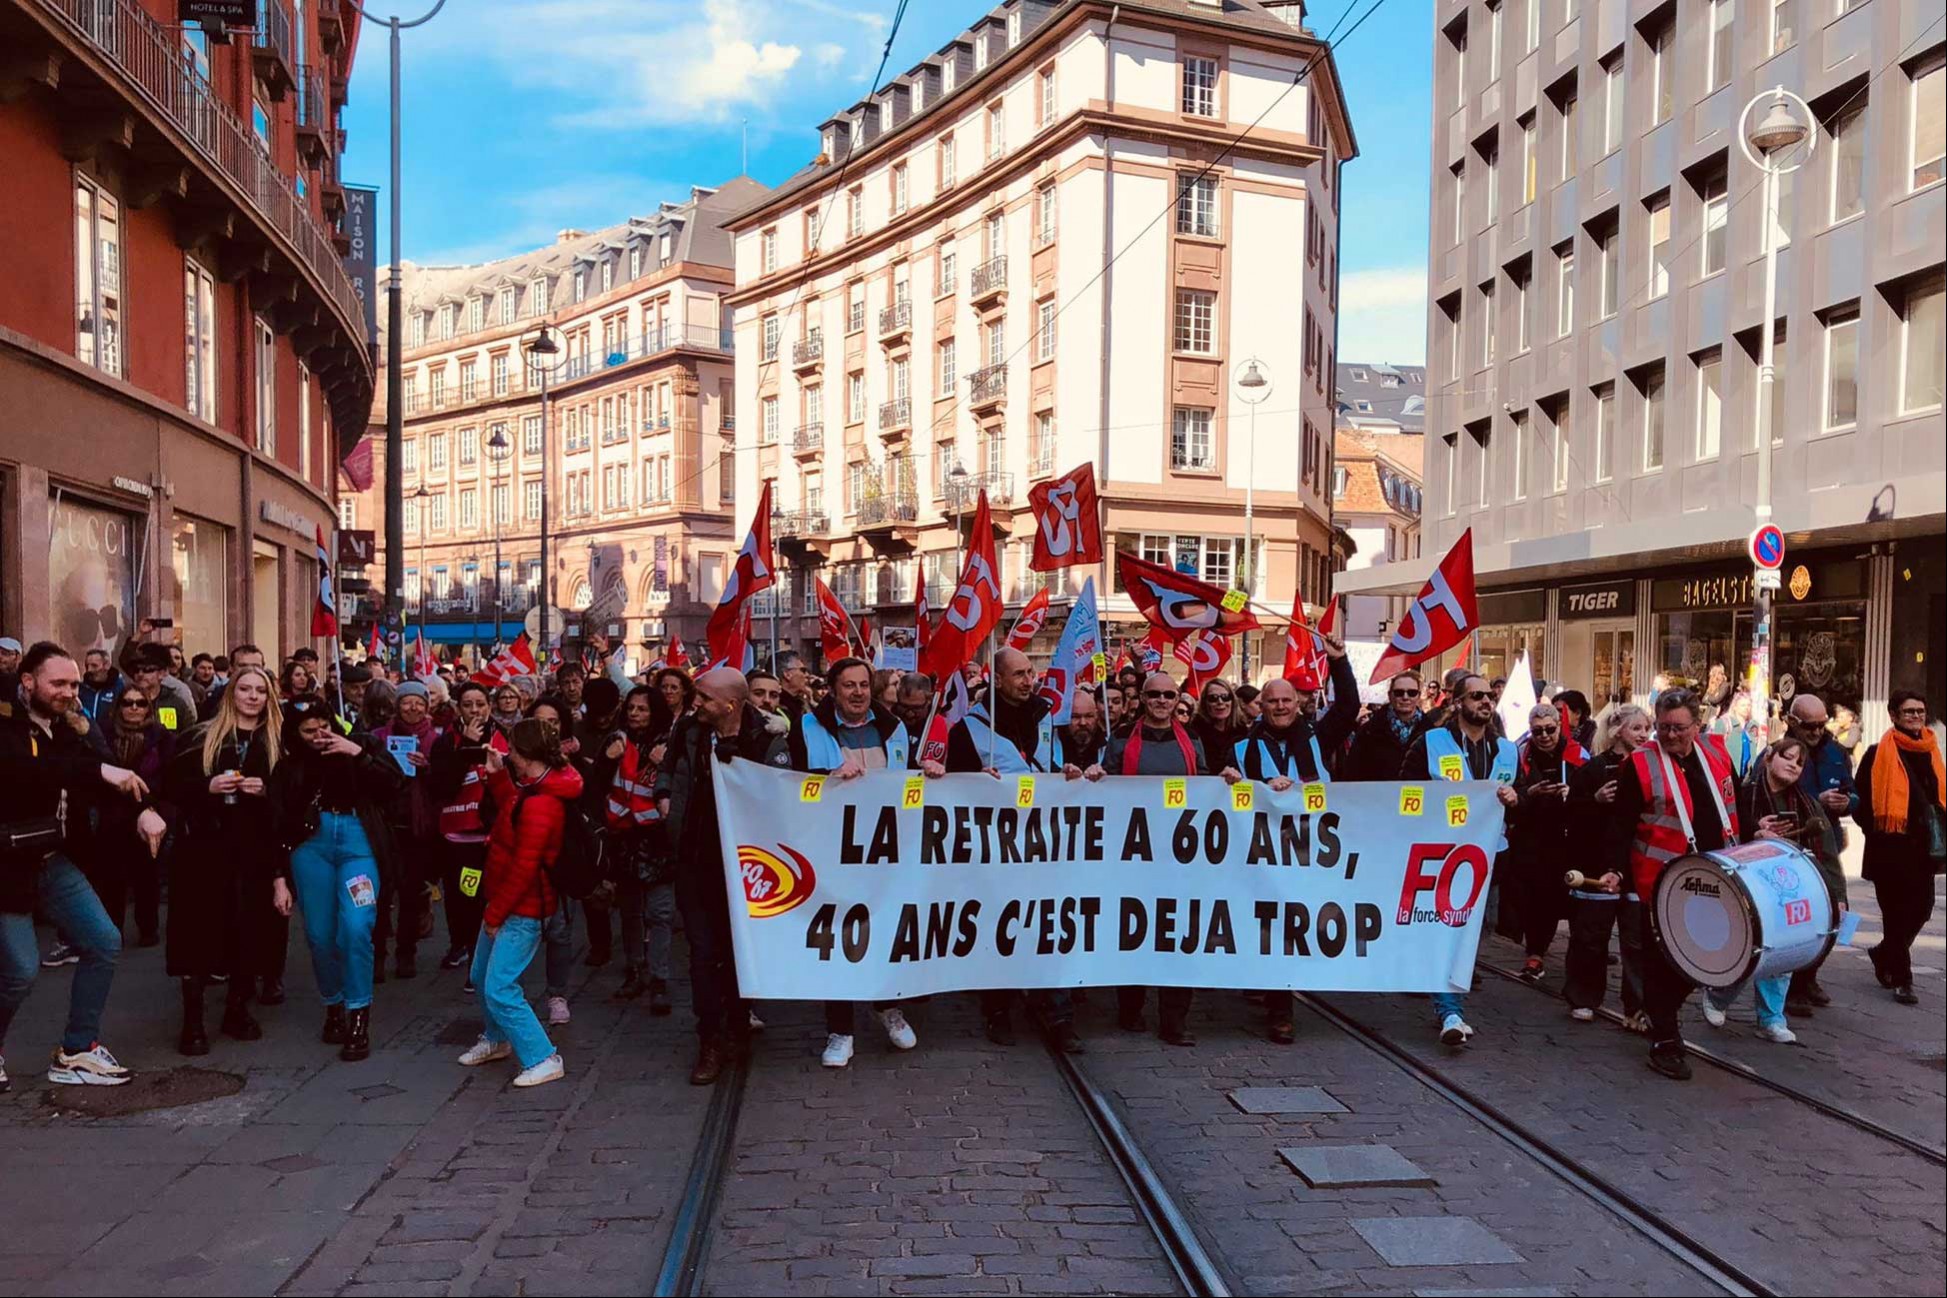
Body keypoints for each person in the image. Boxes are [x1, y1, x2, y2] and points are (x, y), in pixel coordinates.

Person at [1, 643, 160, 1089]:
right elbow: (26, 774)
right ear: (28, 682)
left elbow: (103, 768)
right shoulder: (8, 725)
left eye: (74, 684)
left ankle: (77, 1050)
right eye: (59, 683)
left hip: (52, 860)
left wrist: (143, 809)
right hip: (7, 867)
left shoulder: (68, 728)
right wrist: (98, 773)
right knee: (20, 970)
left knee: (104, 941)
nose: (69, 692)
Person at [654, 669, 792, 1084]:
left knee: (736, 953)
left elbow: (785, 795)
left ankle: (738, 1025)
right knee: (701, 954)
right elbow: (669, 770)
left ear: (730, 705)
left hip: (745, 867)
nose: (697, 704)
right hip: (695, 859)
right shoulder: (690, 732)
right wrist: (665, 800)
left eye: (705, 699)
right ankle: (709, 1038)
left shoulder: (767, 740)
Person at [941, 648, 1082, 1051]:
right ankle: (998, 1010)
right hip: (997, 849)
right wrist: (973, 781)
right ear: (997, 680)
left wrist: (1070, 772)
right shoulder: (968, 730)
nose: (1027, 680)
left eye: (1030, 672)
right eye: (1018, 674)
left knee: (1052, 928)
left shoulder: (1048, 718)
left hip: (1047, 844)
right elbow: (952, 792)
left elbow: (1062, 765)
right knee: (999, 927)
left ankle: (1058, 1014)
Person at [789, 658, 920, 1067]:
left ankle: (888, 1007)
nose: (858, 692)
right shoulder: (807, 728)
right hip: (831, 851)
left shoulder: (894, 729)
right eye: (849, 685)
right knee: (840, 938)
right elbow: (787, 786)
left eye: (864, 684)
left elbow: (907, 782)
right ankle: (840, 1030)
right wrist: (826, 777)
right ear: (832, 689)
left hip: (885, 852)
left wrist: (930, 776)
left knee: (885, 932)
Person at [1607, 689, 1741, 1080]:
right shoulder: (1639, 764)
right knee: (1663, 962)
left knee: (1703, 960)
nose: (1669, 736)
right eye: (1663, 728)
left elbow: (1735, 808)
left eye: (1679, 728)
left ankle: (1663, 1015)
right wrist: (1615, 870)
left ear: (1697, 726)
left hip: (1716, 876)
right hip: (1660, 882)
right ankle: (1665, 1039)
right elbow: (1621, 825)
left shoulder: (1717, 754)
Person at [161, 665, 286, 1055]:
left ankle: (236, 1008)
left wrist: (267, 791)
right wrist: (208, 787)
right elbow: (170, 787)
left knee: (248, 932)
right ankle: (193, 1020)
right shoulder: (202, 738)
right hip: (203, 851)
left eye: (260, 691)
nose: (252, 697)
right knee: (197, 936)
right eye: (245, 689)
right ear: (232, 693)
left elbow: (292, 802)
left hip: (254, 853)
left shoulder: (278, 742)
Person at [274, 697, 406, 1061]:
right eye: (308, 731)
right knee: (318, 935)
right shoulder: (290, 765)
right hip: (311, 848)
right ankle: (333, 1003)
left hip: (358, 843)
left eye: (323, 727)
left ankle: (359, 1012)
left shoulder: (364, 744)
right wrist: (279, 877)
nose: (318, 736)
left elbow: (395, 783)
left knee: (356, 924)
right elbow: (278, 821)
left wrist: (356, 752)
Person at [455, 718, 581, 1089]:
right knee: (481, 977)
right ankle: (496, 1039)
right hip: (506, 902)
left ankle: (543, 1056)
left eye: (512, 749)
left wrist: (495, 914)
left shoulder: (544, 802)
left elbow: (526, 866)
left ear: (526, 755)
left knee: (499, 987)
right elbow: (513, 807)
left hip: (521, 909)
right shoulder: (534, 787)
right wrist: (496, 778)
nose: (507, 753)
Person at [1400, 673, 1520, 1045]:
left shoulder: (1507, 750)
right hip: (1441, 853)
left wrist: (1517, 800)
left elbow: (1524, 798)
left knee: (1474, 929)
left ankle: (1447, 996)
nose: (1486, 701)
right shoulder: (1432, 743)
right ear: (1458, 702)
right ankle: (1449, 1012)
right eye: (1477, 696)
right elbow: (1406, 792)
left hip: (1487, 855)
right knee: (1447, 930)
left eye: (1489, 696)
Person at [1703, 735, 1834, 1040]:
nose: (1793, 765)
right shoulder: (1743, 794)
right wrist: (1755, 832)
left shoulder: (1806, 802)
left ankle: (1771, 1018)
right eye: (1787, 757)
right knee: (1746, 948)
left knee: (1784, 950)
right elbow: (1723, 832)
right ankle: (1719, 995)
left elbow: (1826, 852)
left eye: (1799, 762)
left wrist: (1836, 896)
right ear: (1768, 758)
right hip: (1746, 885)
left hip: (1789, 887)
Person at [1111, 671, 1209, 1046]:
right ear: (1143, 699)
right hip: (1132, 856)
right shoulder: (1121, 739)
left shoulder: (1192, 739)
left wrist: (1225, 780)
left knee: (1178, 936)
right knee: (1133, 932)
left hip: (1180, 859)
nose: (1162, 701)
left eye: (1169, 695)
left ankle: (1174, 1021)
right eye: (1155, 695)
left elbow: (1204, 783)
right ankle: (1130, 1009)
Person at [1854, 690, 1943, 1007]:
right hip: (1889, 851)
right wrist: (1881, 828)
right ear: (1893, 715)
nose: (1916, 717)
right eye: (1909, 712)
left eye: (1920, 711)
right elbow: (1861, 801)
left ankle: (1883, 953)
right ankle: (1903, 980)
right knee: (1894, 914)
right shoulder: (1878, 753)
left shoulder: (1931, 751)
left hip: (1922, 852)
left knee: (1923, 910)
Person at [1565, 704, 1651, 1027]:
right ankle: (1583, 996)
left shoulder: (1651, 768)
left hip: (1636, 863)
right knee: (1591, 935)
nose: (1643, 735)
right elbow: (1572, 815)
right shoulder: (1593, 769)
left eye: (1646, 729)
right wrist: (1595, 801)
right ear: (1618, 732)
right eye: (1637, 728)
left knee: (1636, 939)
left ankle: (1637, 1005)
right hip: (1597, 863)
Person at [592, 685, 677, 1012]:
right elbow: (596, 786)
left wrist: (665, 763)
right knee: (630, 912)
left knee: (660, 912)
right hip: (624, 838)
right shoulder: (615, 741)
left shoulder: (671, 742)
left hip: (658, 838)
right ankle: (635, 970)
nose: (635, 714)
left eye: (642, 709)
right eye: (631, 708)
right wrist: (605, 760)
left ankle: (659, 979)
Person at [82, 687, 174, 949]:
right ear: (118, 706)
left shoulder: (162, 737)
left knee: (147, 878)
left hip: (150, 812)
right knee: (111, 879)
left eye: (140, 703)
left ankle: (148, 928)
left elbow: (168, 778)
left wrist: (155, 809)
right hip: (111, 816)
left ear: (149, 707)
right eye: (128, 703)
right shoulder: (104, 734)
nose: (134, 708)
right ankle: (113, 931)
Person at [1507, 703, 1588, 982]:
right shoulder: (1520, 754)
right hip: (1530, 834)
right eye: (1537, 731)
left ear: (1559, 726)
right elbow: (1510, 792)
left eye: (1549, 730)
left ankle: (1572, 952)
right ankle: (1535, 953)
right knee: (1531, 895)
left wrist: (1572, 793)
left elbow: (1591, 792)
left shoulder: (1577, 754)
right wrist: (1530, 791)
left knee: (1560, 895)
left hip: (1566, 836)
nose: (1544, 736)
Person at [429, 682, 503, 984]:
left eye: (480, 704)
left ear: (489, 706)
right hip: (460, 841)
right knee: (466, 899)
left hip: (495, 837)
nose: (475, 710)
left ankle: (489, 958)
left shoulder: (504, 738)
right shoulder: (446, 742)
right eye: (468, 704)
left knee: (492, 898)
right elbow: (442, 787)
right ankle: (471, 954)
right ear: (458, 708)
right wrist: (464, 750)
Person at [370, 681, 440, 981]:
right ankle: (376, 956)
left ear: (427, 707)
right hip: (384, 824)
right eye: (406, 702)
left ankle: (406, 952)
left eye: (418, 703)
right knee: (380, 894)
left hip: (417, 826)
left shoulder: (437, 740)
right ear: (396, 706)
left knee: (411, 894)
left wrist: (427, 768)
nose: (412, 708)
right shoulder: (379, 736)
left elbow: (445, 783)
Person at [1787, 694, 1857, 830]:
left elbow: (1853, 793)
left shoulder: (1837, 753)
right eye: (1810, 726)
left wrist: (1847, 802)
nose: (1817, 732)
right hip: (1792, 840)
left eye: (1821, 726)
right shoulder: (1776, 755)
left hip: (1829, 842)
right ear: (1792, 721)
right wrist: (1817, 801)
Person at [1346, 671, 1428, 781]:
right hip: (1379, 795)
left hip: (1417, 795)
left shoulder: (1430, 731)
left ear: (1418, 696)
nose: (1405, 697)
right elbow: (1353, 771)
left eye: (1412, 693)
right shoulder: (1369, 731)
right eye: (1399, 692)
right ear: (1390, 695)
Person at [128, 643, 199, 734]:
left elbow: (189, 733)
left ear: (163, 673)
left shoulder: (176, 702)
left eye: (148, 670)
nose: (140, 674)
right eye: (136, 670)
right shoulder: (125, 701)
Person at [1190, 680, 1246, 773]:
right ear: (1205, 703)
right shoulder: (1194, 731)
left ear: (1232, 701)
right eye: (1213, 698)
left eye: (1225, 697)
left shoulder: (1242, 730)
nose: (1220, 702)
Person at [1056, 688, 1110, 773]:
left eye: (1089, 716)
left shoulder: (1108, 747)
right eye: (1075, 717)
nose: (1083, 723)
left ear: (1097, 717)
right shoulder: (1051, 745)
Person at [1712, 691, 1760, 778]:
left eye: (1748, 705)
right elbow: (1714, 750)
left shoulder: (1753, 725)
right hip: (1728, 774)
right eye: (1743, 705)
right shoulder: (1724, 723)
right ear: (1735, 707)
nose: (1746, 708)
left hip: (1747, 776)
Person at [77, 649, 123, 726]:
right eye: (87, 666)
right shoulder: (81, 689)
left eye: (94, 666)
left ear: (107, 665)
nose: (89, 670)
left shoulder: (119, 688)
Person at [892, 672, 934, 745]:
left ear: (929, 701)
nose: (910, 714)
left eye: (916, 708)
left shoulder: (939, 725)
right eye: (904, 706)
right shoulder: (888, 723)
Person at [774, 650, 812, 724]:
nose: (807, 675)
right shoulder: (775, 705)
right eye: (803, 670)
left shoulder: (802, 704)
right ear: (787, 675)